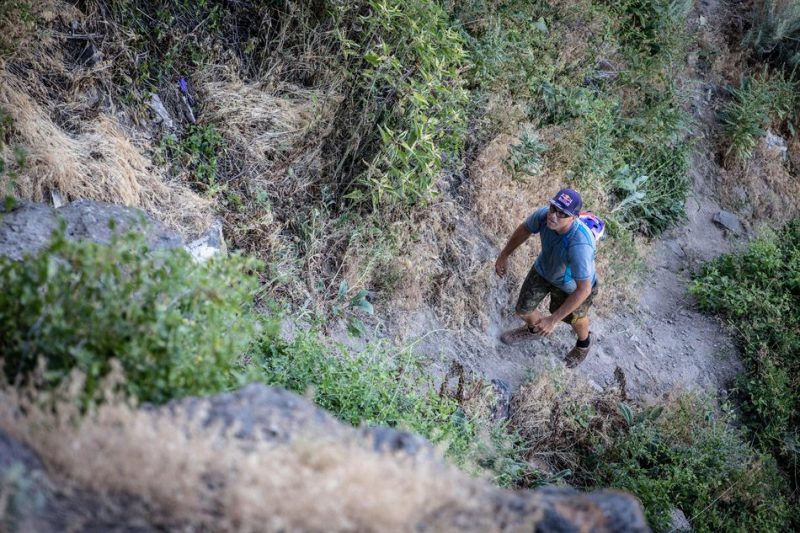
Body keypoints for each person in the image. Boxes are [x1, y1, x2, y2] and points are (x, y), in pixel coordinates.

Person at [494, 188, 597, 368]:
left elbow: (584, 289)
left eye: (562, 213)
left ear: (574, 217)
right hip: (544, 270)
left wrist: (553, 319)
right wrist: (504, 255)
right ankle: (533, 330)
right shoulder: (543, 216)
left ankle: (583, 344)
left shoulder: (579, 244)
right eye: (553, 208)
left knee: (575, 318)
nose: (554, 216)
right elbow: (525, 229)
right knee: (523, 310)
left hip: (572, 287)